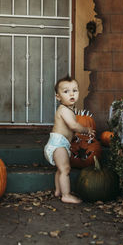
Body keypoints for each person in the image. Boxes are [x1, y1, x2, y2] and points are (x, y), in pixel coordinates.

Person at [44, 76, 95, 204]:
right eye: (66, 91)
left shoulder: (68, 110)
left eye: (75, 90)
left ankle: (58, 191)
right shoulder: (63, 110)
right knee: (65, 169)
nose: (71, 94)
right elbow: (73, 126)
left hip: (61, 144)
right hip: (58, 144)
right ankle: (66, 195)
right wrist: (86, 130)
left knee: (60, 169)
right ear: (58, 97)